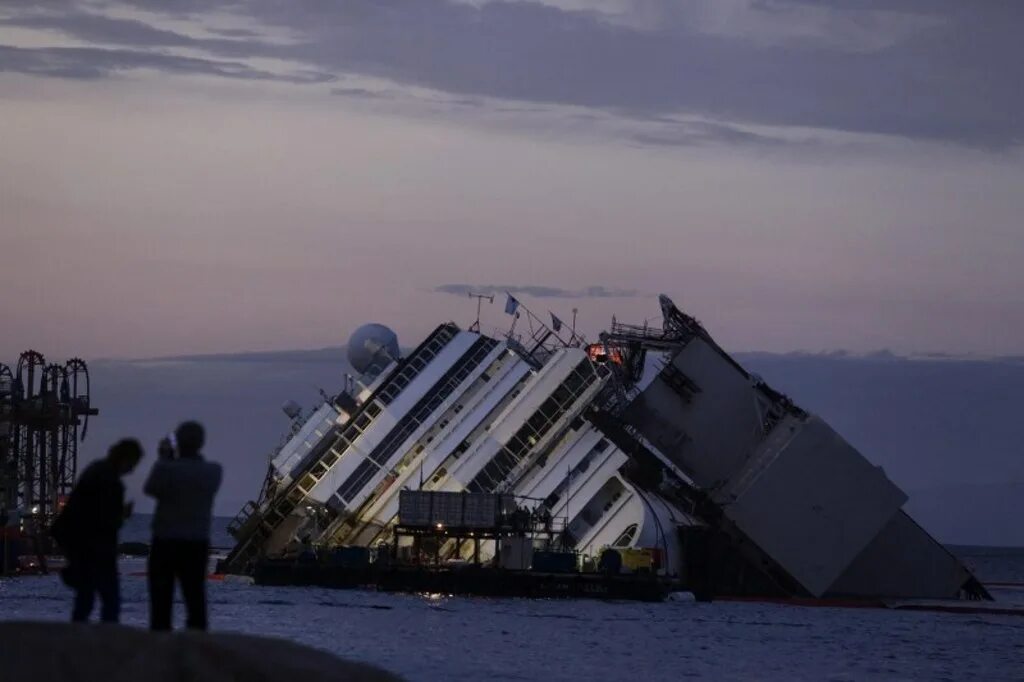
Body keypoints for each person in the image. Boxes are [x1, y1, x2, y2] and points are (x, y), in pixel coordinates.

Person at [50, 438, 144, 623]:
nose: (132, 470)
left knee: (86, 598)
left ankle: (79, 637)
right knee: (109, 600)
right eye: (132, 464)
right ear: (125, 459)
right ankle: (104, 641)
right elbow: (105, 519)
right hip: (95, 547)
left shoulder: (96, 470)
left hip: (78, 540)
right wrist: (122, 514)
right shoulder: (110, 481)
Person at [144, 421, 222, 631]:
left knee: (161, 601)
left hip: (165, 541)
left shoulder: (166, 469)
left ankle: (161, 645)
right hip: (196, 543)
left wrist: (164, 458)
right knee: (195, 598)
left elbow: (151, 488)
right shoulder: (213, 471)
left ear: (177, 442)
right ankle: (196, 645)